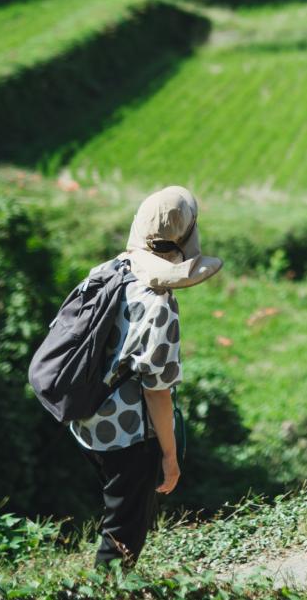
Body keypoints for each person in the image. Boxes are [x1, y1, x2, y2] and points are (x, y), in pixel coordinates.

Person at [70, 186, 222, 568]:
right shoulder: (159, 305)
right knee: (123, 539)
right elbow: (157, 392)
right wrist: (170, 458)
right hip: (127, 435)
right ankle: (103, 594)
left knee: (116, 515)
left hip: (87, 419)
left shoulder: (108, 271)